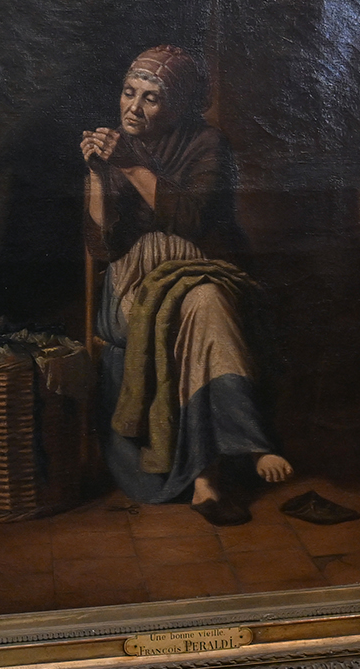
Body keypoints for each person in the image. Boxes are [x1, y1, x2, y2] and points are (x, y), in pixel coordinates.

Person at [80, 45, 293, 524]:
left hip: (203, 266)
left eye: (151, 98)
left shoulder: (207, 143)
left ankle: (211, 477)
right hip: (134, 282)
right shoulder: (110, 145)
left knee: (205, 299)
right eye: (129, 93)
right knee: (198, 306)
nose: (133, 107)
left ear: (176, 105)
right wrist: (97, 175)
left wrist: (132, 166)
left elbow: (194, 218)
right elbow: (103, 247)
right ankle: (221, 467)